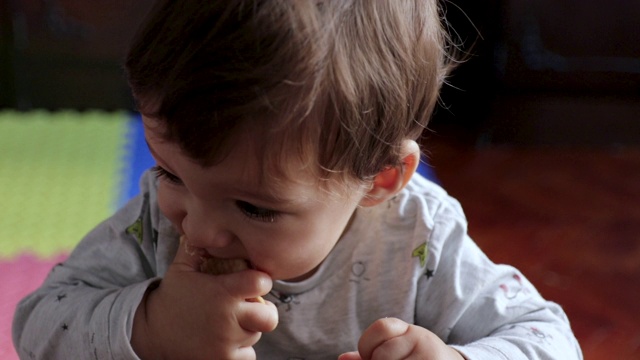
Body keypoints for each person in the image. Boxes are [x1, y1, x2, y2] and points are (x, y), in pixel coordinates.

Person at [13, 0, 583, 359]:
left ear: (381, 178)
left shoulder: (417, 238)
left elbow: (550, 340)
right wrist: (153, 326)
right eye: (171, 173)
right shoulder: (152, 226)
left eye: (254, 208)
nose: (202, 231)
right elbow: (37, 325)